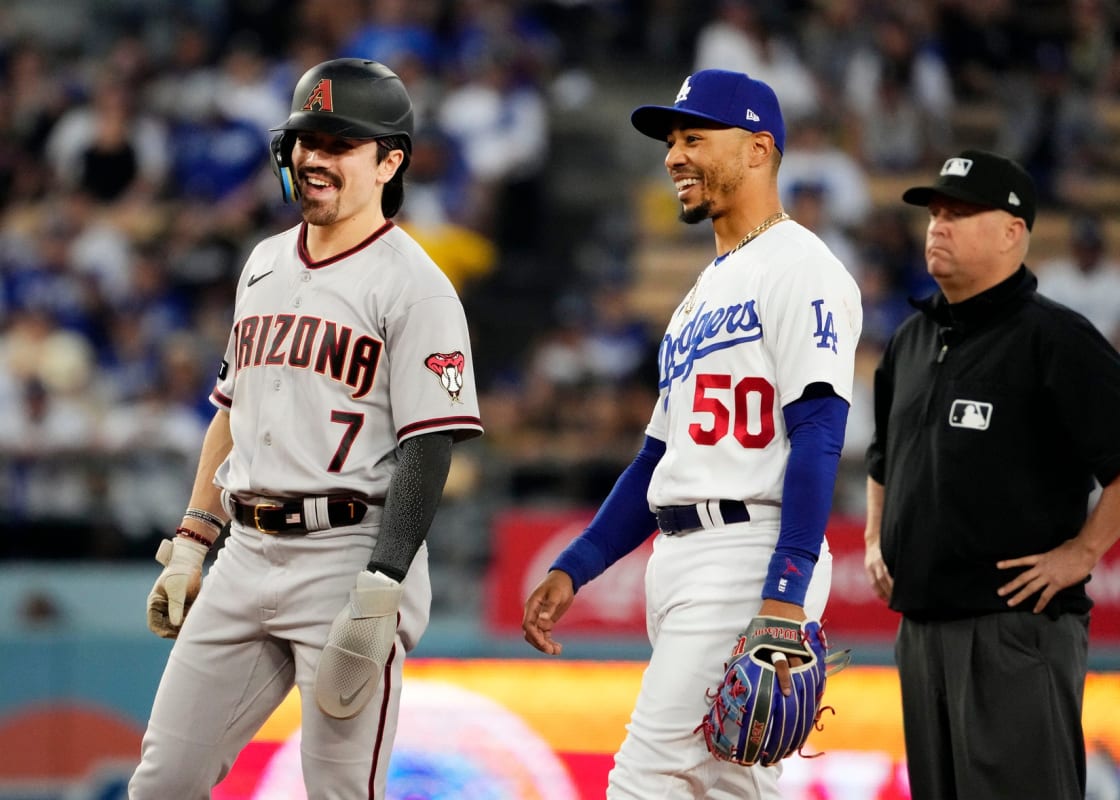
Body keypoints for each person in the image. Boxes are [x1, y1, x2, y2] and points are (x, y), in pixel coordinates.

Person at [128, 58, 483, 799]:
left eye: (338, 142)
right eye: (303, 140)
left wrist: (383, 583)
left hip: (348, 551)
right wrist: (194, 540)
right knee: (163, 781)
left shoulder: (416, 286)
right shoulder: (262, 263)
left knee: (340, 790)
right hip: (245, 551)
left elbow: (429, 444)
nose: (312, 158)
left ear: (390, 161)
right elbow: (232, 408)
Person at [522, 69, 863, 798]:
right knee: (728, 788)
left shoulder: (803, 267)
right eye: (671, 140)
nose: (674, 155)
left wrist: (785, 588)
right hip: (680, 558)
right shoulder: (698, 296)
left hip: (749, 553)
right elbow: (656, 459)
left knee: (643, 780)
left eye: (694, 137)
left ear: (758, 150)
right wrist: (577, 564)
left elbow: (819, 432)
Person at [863, 149, 1120, 800]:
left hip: (1013, 630)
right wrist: (873, 538)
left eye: (960, 213)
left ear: (1013, 232)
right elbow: (882, 457)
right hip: (920, 629)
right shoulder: (912, 340)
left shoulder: (1055, 338)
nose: (937, 227)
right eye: (934, 214)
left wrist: (1082, 553)